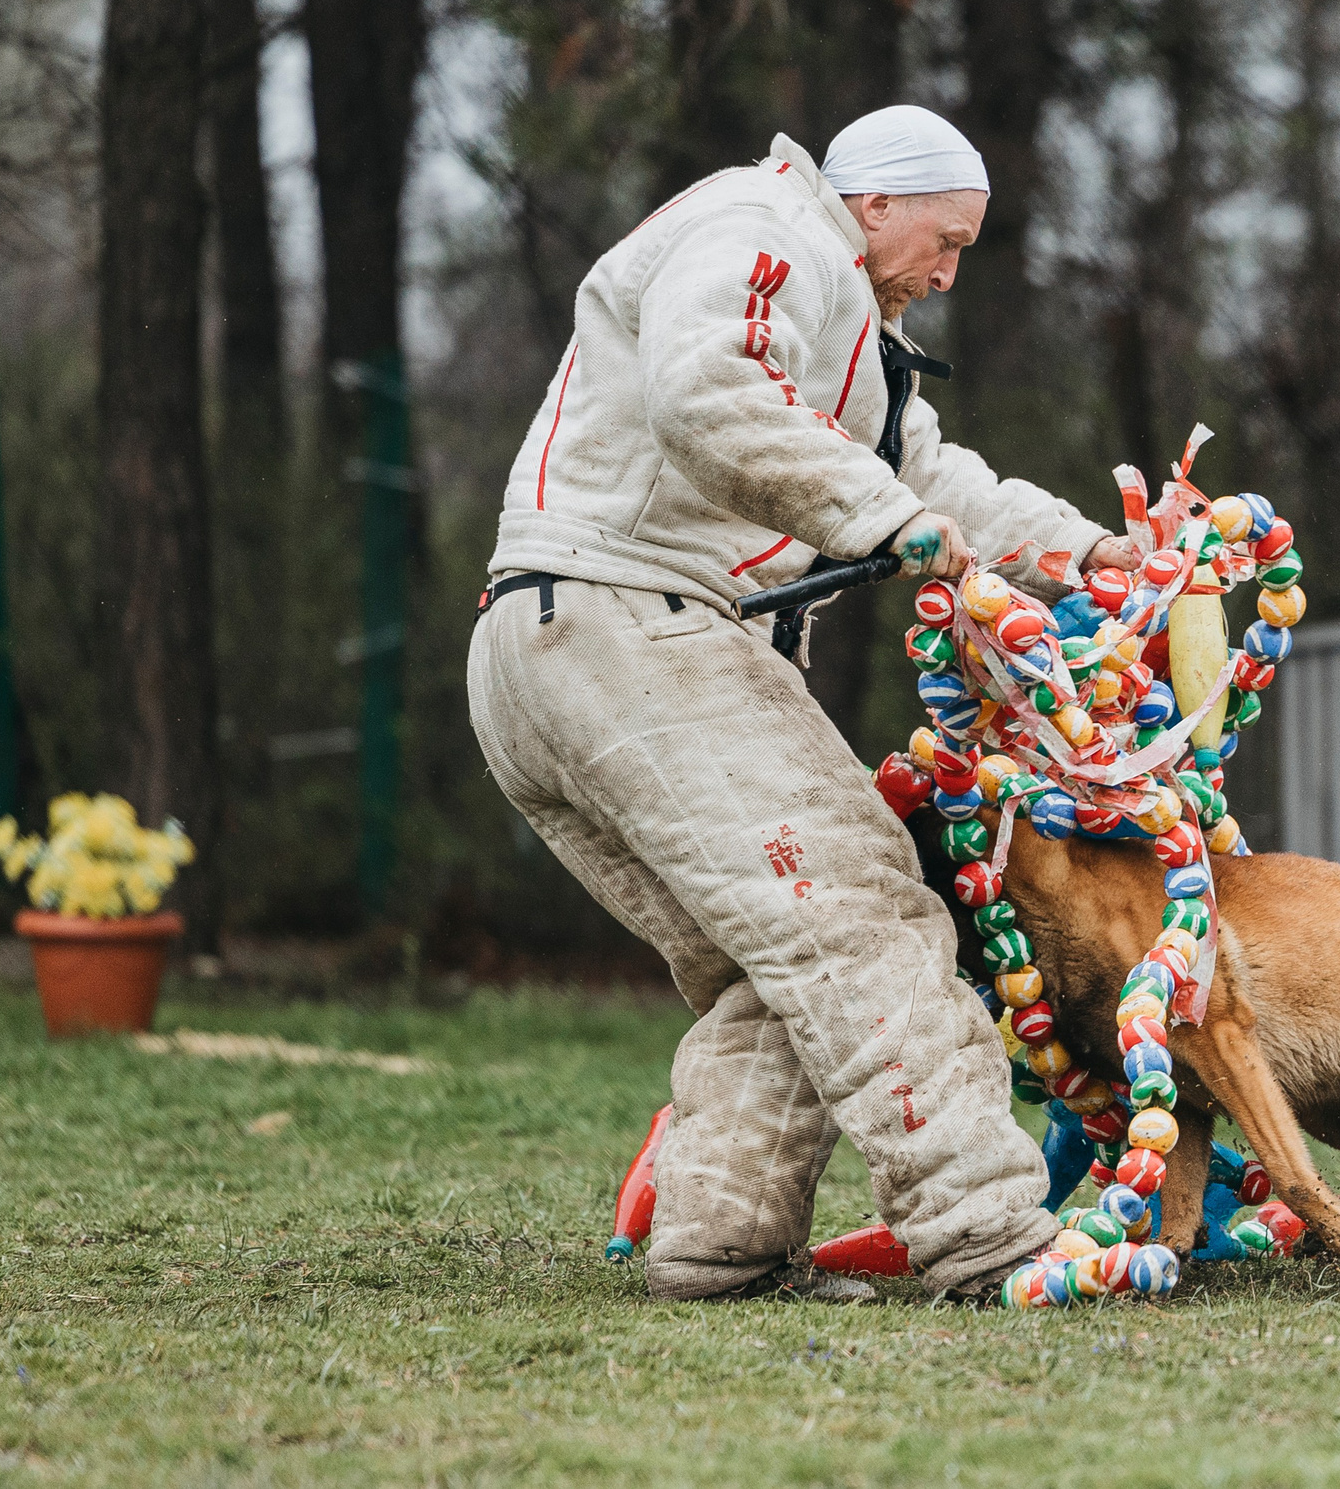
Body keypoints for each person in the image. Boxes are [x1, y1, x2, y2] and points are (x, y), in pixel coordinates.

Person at [467, 106, 1140, 1302]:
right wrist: (880, 525)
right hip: (630, 621)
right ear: (874, 202)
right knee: (864, 909)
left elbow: (924, 475)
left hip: (552, 638)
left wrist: (1085, 555)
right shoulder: (764, 227)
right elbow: (705, 384)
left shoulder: (844, 320)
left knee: (761, 963)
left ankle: (719, 1247)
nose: (947, 270)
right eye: (948, 238)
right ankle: (987, 1233)